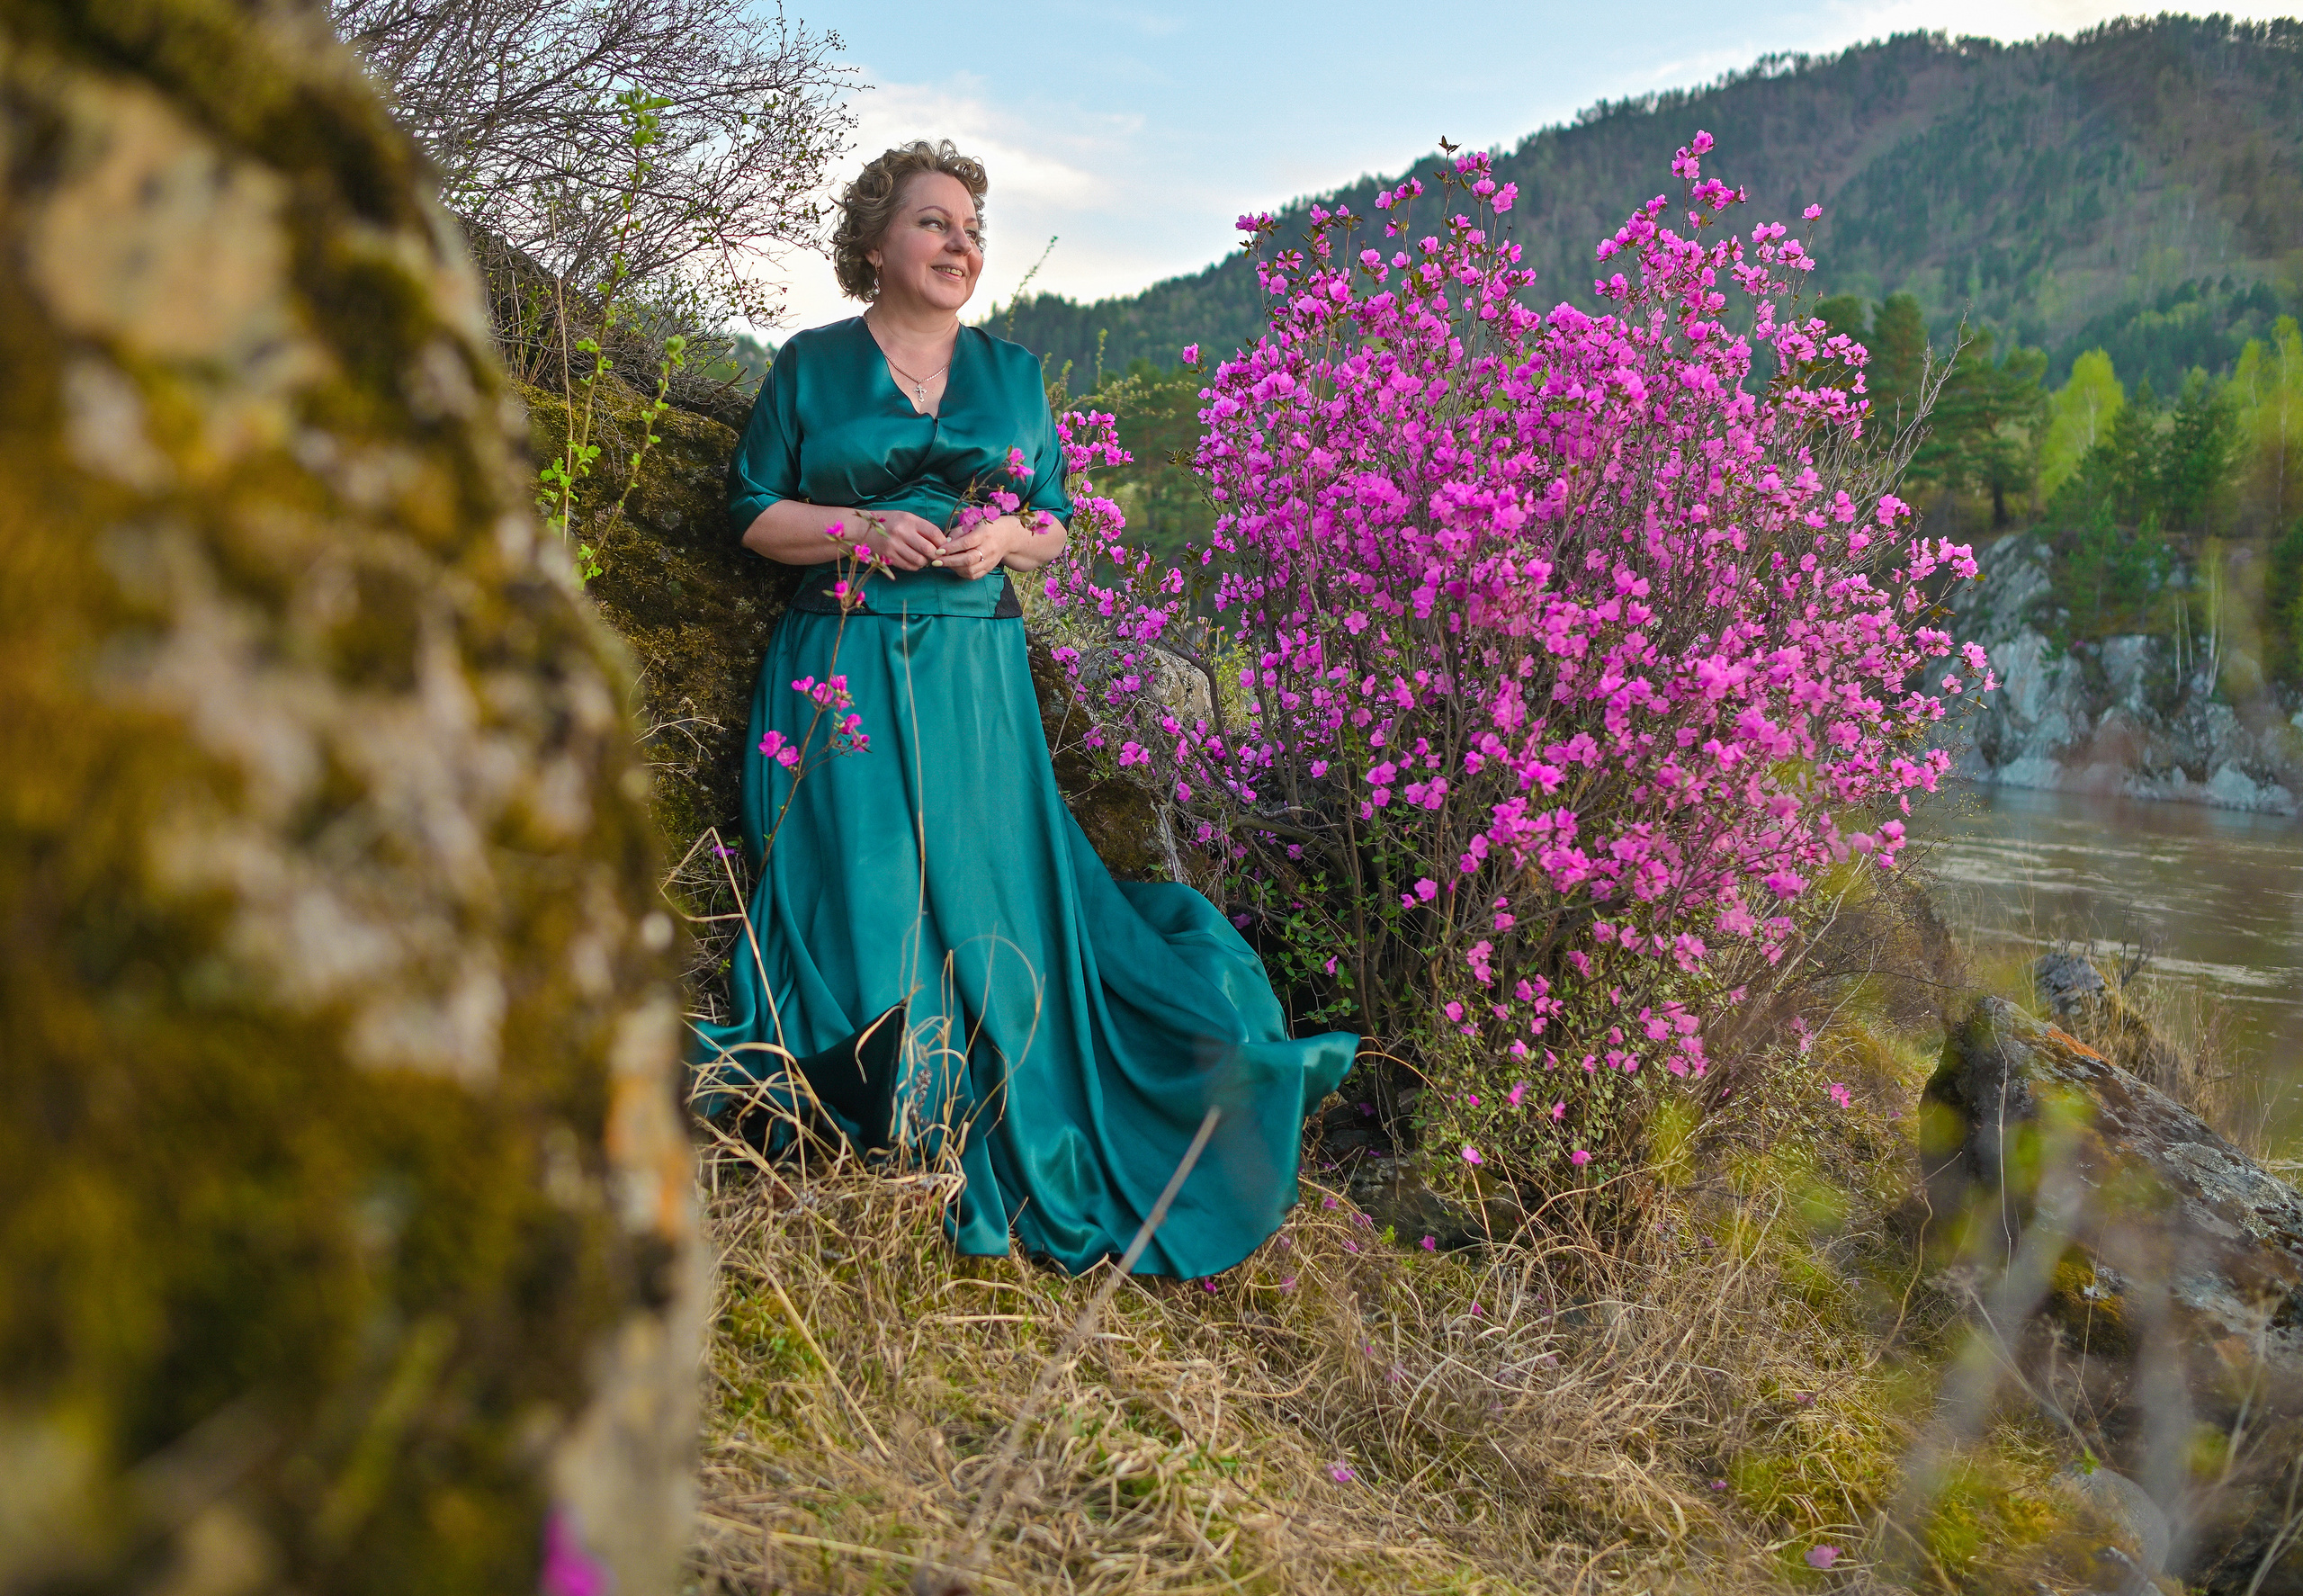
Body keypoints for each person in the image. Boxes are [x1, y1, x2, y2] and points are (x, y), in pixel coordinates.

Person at [692, 139, 1356, 1278]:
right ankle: (903, 1113)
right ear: (874, 243)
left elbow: (1052, 523)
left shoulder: (1014, 377)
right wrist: (857, 528)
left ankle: (1053, 1105)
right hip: (836, 664)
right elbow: (750, 509)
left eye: (970, 229)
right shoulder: (807, 366)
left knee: (1000, 908)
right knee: (872, 906)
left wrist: (1007, 538)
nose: (959, 245)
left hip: (976, 680)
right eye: (933, 223)